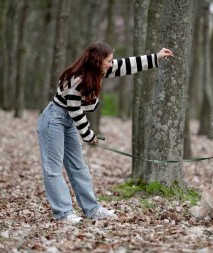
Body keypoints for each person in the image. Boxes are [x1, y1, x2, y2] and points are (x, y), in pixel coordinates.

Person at [37, 42, 173, 223]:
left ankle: (92, 209)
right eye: (108, 61)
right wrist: (88, 135)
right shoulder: (76, 80)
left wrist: (156, 57)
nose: (111, 64)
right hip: (54, 120)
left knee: (79, 167)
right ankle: (63, 213)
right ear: (97, 61)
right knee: (53, 170)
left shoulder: (99, 70)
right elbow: (75, 110)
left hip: (68, 121)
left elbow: (127, 65)